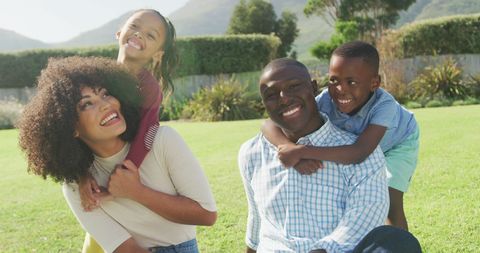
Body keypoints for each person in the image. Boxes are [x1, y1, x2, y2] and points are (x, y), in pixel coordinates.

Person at [18, 56, 217, 253]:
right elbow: (125, 249)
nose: (105, 104)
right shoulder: (77, 185)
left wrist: (136, 192)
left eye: (104, 94)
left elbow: (206, 215)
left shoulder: (162, 141)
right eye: (87, 104)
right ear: (71, 127)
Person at [238, 58, 421, 252]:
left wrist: (302, 151)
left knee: (398, 241)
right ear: (264, 104)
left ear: (313, 88)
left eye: (293, 86)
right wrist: (291, 149)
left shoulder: (365, 149)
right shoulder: (251, 153)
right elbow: (256, 220)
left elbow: (362, 219)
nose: (283, 98)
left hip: (400, 141)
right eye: (271, 95)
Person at [77, 9, 179, 252]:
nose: (139, 34)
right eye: (134, 26)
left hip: (126, 176)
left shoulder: (149, 88)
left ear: (158, 54)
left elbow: (149, 132)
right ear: (119, 32)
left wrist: (123, 177)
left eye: (150, 35)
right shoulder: (95, 78)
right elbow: (75, 129)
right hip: (95, 172)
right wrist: (81, 174)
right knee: (99, 238)